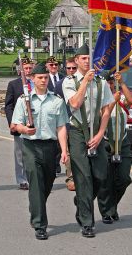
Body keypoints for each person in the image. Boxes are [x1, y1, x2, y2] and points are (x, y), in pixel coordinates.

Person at [11, 62, 68, 240]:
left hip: (50, 147)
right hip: (30, 146)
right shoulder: (23, 100)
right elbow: (15, 124)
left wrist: (64, 150)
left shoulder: (57, 101)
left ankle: (35, 206)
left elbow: (61, 127)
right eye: (40, 78)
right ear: (32, 79)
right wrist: (24, 130)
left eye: (45, 77)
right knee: (35, 183)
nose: (43, 80)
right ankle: (40, 225)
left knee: (48, 182)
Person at [62, 43, 114, 238]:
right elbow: (74, 103)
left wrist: (101, 133)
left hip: (97, 132)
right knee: (83, 178)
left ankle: (81, 203)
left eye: (88, 58)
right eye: (83, 58)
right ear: (76, 61)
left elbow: (107, 109)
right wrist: (84, 82)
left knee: (100, 176)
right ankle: (87, 222)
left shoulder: (100, 82)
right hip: (77, 132)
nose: (86, 61)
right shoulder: (69, 82)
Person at [97, 71, 132, 223]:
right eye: (107, 82)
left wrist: (123, 83)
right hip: (105, 142)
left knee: (124, 178)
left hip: (122, 141)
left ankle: (113, 205)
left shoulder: (119, 97)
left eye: (112, 82)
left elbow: (130, 101)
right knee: (106, 180)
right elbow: (102, 115)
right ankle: (107, 211)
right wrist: (112, 101)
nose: (110, 85)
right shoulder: (98, 100)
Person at [5, 57, 35, 190]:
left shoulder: (39, 82)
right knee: (20, 154)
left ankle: (35, 178)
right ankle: (22, 179)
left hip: (36, 123)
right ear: (21, 70)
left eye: (30, 68)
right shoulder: (13, 84)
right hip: (20, 124)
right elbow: (8, 105)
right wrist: (13, 122)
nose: (28, 71)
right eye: (25, 68)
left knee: (36, 153)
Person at [55, 56, 77, 191]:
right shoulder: (60, 84)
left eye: (74, 68)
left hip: (82, 122)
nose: (71, 70)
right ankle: (71, 177)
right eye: (68, 68)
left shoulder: (84, 81)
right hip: (66, 121)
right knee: (68, 152)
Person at [45, 56, 64, 175]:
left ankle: (56, 163)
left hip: (61, 111)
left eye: (56, 65)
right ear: (47, 66)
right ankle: (52, 164)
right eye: (51, 65)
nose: (54, 67)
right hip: (50, 111)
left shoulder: (63, 78)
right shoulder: (44, 78)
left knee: (60, 140)